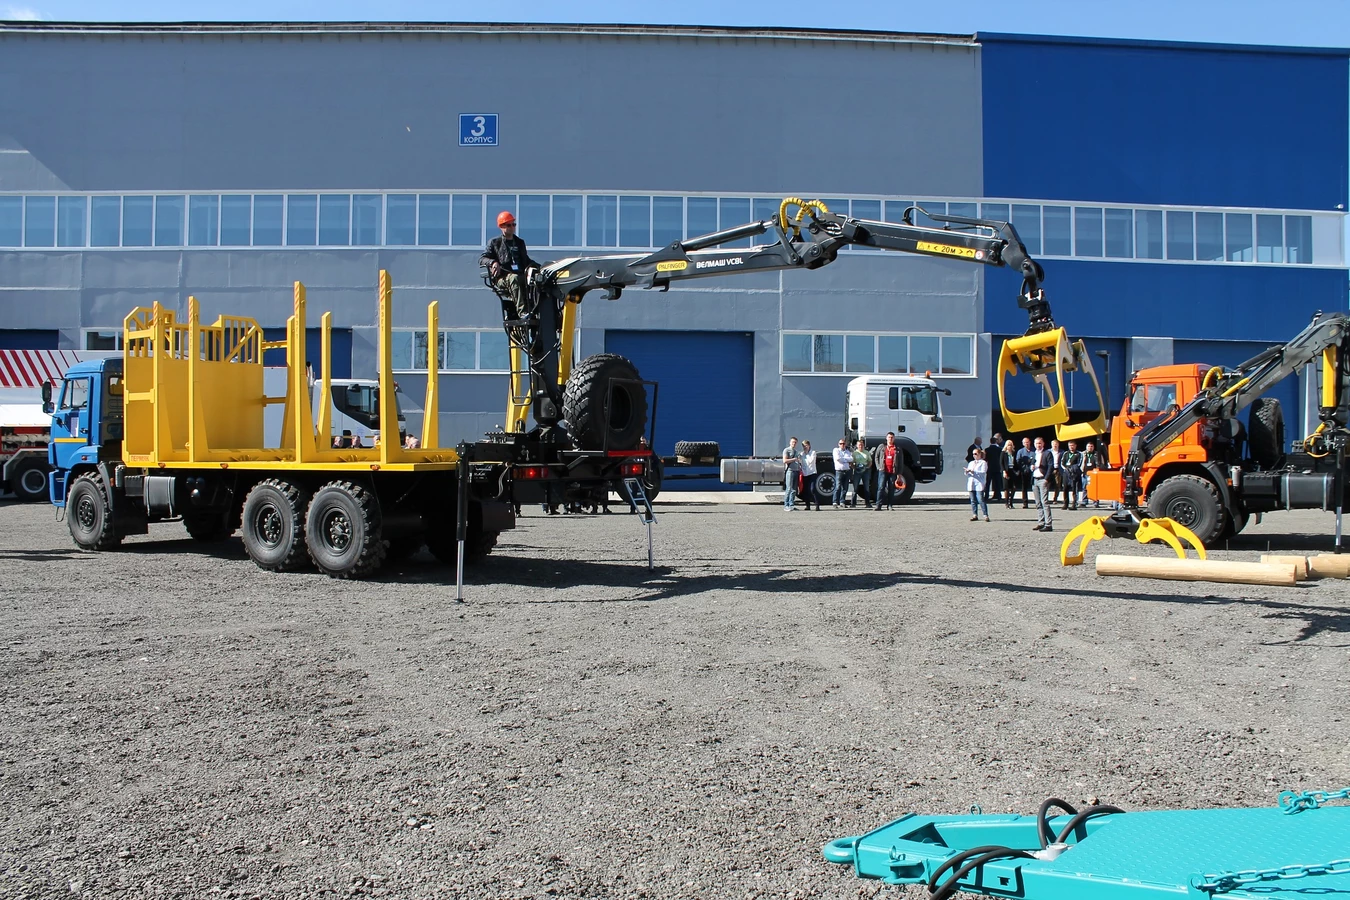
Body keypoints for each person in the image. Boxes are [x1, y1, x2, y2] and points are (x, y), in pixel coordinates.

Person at [479, 211, 539, 318]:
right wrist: (493, 262)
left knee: (538, 280)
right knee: (514, 278)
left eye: (513, 224)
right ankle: (523, 312)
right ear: (501, 226)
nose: (512, 227)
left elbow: (526, 260)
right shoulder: (495, 243)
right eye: (508, 225)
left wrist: (541, 268)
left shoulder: (519, 242)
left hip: (521, 275)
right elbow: (482, 259)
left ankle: (537, 311)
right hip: (503, 277)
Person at [1030, 436, 1055, 532]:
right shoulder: (1033, 453)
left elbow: (1050, 466)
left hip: (1042, 479)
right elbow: (1031, 464)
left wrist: (1046, 479)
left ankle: (1048, 524)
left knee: (1045, 502)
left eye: (1040, 443)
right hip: (1035, 479)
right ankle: (1041, 522)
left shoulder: (1047, 453)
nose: (1038, 445)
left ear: (1043, 444)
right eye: (1036, 443)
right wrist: (1031, 467)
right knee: (1038, 503)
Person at [872, 432, 901, 511]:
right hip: (883, 470)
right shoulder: (881, 447)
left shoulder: (897, 448)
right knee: (881, 487)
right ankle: (878, 505)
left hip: (893, 471)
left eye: (892, 437)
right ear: (886, 438)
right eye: (889, 437)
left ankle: (890, 505)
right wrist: (879, 467)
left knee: (891, 488)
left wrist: (899, 473)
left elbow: (901, 461)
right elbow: (876, 457)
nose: (890, 439)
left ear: (894, 438)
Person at [965, 447, 990, 522]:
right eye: (973, 454)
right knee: (973, 500)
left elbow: (983, 472)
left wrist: (973, 472)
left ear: (979, 454)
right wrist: (967, 471)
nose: (974, 455)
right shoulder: (971, 463)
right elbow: (968, 473)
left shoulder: (983, 463)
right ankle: (974, 514)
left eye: (975, 454)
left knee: (980, 499)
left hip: (979, 483)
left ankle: (985, 515)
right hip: (971, 482)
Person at [1059, 440, 1083, 511]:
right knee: (1065, 488)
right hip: (1066, 473)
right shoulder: (1066, 453)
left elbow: (1079, 463)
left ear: (1075, 446)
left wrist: (1072, 469)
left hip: (1074, 473)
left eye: (1072, 445)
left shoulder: (1079, 454)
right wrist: (1066, 469)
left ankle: (1074, 504)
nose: (1071, 447)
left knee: (1074, 489)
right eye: (1070, 446)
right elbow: (1062, 462)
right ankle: (1065, 503)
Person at [782, 436, 802, 511]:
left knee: (794, 489)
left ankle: (791, 504)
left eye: (795, 442)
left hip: (796, 471)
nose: (794, 443)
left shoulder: (797, 452)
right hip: (790, 471)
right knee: (789, 488)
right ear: (790, 442)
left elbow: (799, 461)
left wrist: (799, 462)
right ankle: (786, 505)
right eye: (793, 442)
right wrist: (794, 459)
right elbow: (785, 461)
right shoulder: (786, 450)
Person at [1014, 437, 1036, 509]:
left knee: (1034, 487)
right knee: (1024, 487)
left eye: (1027, 442)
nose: (1026, 444)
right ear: (1023, 444)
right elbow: (1018, 461)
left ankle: (1037, 502)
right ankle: (1025, 502)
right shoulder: (1020, 451)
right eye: (1025, 443)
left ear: (1030, 442)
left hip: (1033, 471)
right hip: (1024, 471)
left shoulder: (1034, 450)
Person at [831, 438, 853, 508]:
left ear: (845, 444)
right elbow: (838, 459)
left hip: (847, 471)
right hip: (839, 471)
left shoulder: (848, 451)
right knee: (837, 487)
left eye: (843, 443)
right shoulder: (836, 450)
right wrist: (846, 459)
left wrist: (843, 459)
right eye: (841, 444)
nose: (842, 445)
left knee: (845, 488)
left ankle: (842, 501)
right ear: (838, 444)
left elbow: (852, 459)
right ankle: (835, 502)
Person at [851, 439, 872, 508]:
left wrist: (867, 467)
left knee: (866, 487)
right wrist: (855, 468)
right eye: (859, 445)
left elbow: (870, 462)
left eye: (862, 445)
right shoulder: (854, 453)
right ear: (857, 446)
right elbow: (851, 463)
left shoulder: (866, 453)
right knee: (855, 487)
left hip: (865, 471)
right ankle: (853, 503)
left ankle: (868, 503)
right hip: (857, 471)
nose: (861, 446)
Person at [1082, 440, 1102, 508]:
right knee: (1085, 488)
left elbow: (1100, 462)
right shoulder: (1083, 454)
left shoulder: (1097, 454)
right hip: (1085, 473)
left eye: (1091, 446)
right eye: (1088, 446)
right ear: (1086, 447)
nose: (1090, 448)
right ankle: (1084, 501)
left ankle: (1095, 502)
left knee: (1095, 488)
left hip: (1094, 474)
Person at [1000, 439, 1018, 509]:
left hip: (1012, 470)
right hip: (1006, 471)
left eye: (1011, 445)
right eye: (1008, 445)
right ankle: (1006, 502)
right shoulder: (1003, 453)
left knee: (1014, 487)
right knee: (1006, 488)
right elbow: (1001, 463)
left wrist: (1017, 471)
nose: (1009, 447)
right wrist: (1004, 471)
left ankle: (1011, 502)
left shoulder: (1014, 453)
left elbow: (1016, 462)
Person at [800, 440, 818, 510]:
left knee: (812, 489)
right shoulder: (802, 454)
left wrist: (806, 454)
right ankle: (808, 505)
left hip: (812, 472)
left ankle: (817, 504)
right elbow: (801, 462)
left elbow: (810, 461)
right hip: (805, 473)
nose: (805, 447)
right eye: (804, 446)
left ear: (809, 445)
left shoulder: (813, 453)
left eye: (806, 446)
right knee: (806, 490)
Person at [986, 432, 1004, 503]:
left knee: (988, 483)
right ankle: (998, 496)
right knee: (997, 482)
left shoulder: (987, 450)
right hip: (997, 468)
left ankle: (986, 496)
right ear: (996, 441)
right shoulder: (999, 449)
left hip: (989, 468)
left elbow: (986, 459)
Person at [1048, 439, 1064, 504]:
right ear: (1051, 445)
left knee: (1057, 485)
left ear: (1058, 445)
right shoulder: (1048, 451)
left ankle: (1055, 499)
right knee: (1047, 485)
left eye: (1056, 444)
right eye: (1053, 444)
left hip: (1058, 469)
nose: (1055, 445)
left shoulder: (1062, 452)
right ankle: (1046, 498)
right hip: (1049, 469)